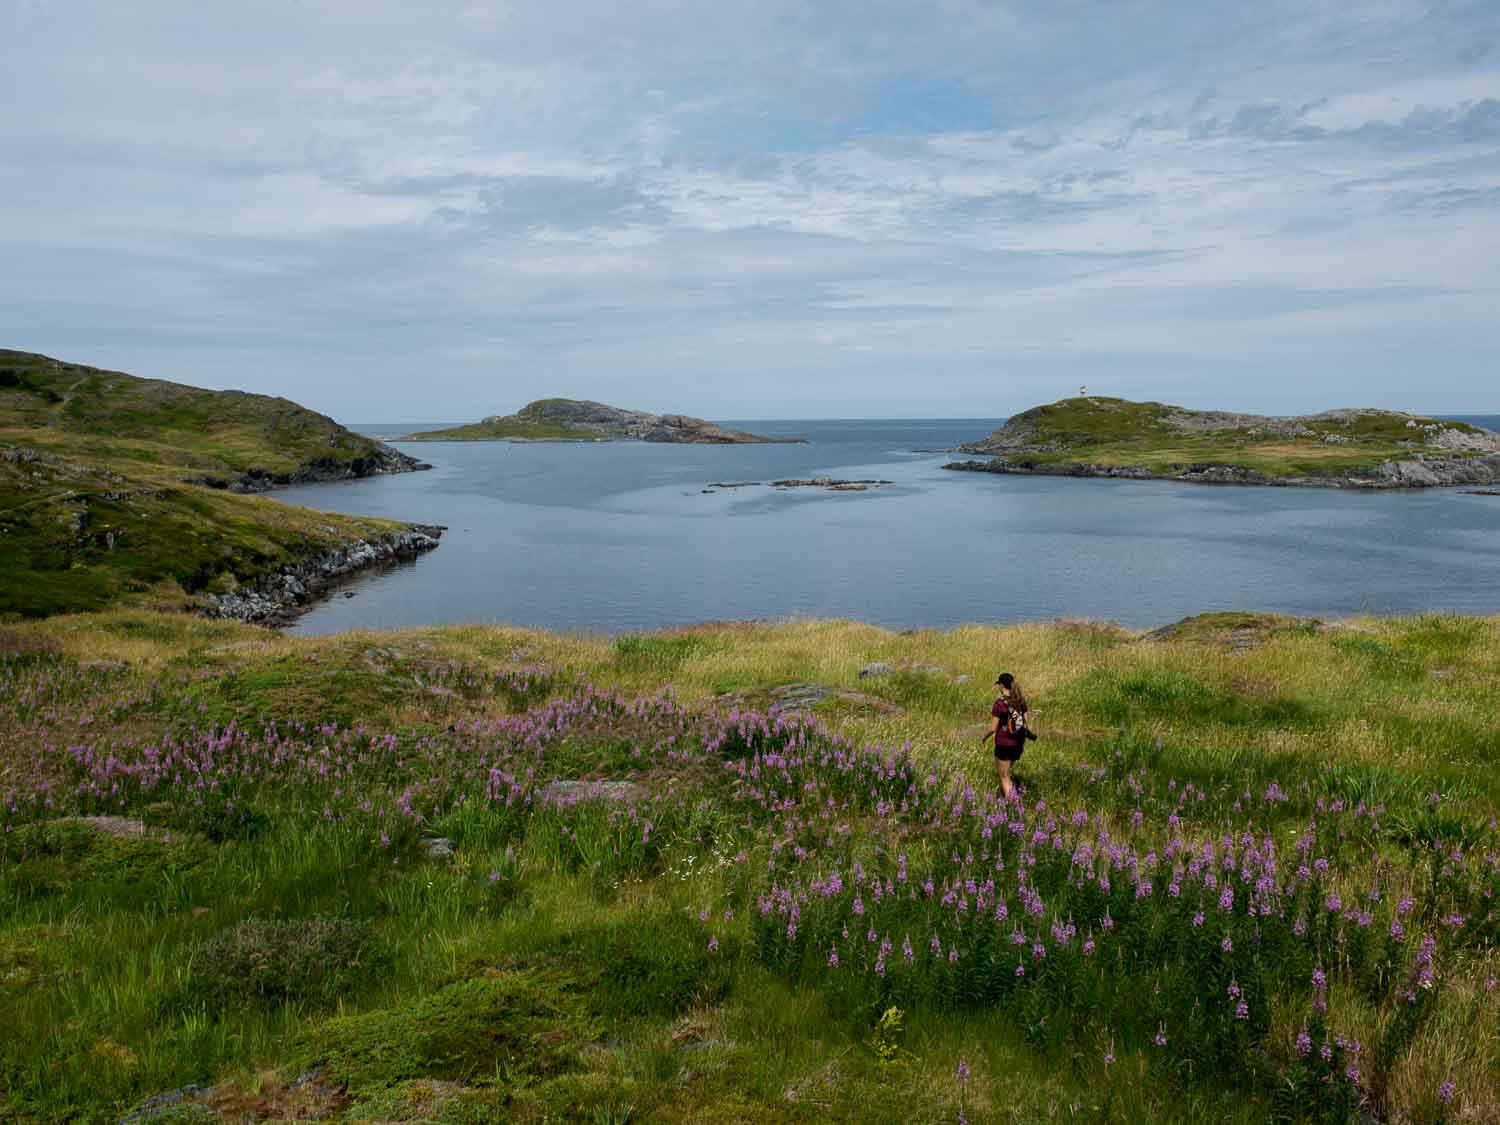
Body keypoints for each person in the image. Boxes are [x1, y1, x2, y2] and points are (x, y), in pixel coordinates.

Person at [983, 672, 1028, 799]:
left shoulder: (999, 703)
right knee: (1007, 774)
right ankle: (1011, 797)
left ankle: (1013, 808)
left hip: (1003, 745)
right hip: (1018, 745)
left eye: (999, 685)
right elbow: (1025, 725)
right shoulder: (1021, 701)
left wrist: (984, 737)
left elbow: (993, 729)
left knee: (1004, 777)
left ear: (1002, 685)